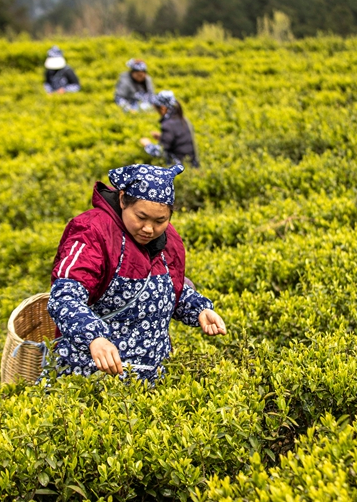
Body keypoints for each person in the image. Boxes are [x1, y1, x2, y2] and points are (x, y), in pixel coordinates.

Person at [44, 164, 226, 383]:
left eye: (160, 221)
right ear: (122, 200)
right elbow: (64, 297)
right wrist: (94, 338)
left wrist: (198, 309)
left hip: (151, 379)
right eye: (141, 217)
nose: (149, 229)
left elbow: (167, 290)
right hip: (92, 378)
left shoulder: (168, 240)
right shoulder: (92, 232)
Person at [140, 91, 199, 168]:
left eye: (156, 109)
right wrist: (162, 138)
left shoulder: (168, 125)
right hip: (192, 164)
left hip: (179, 168)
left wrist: (147, 144)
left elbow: (159, 152)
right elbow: (179, 140)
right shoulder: (181, 118)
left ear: (163, 108)